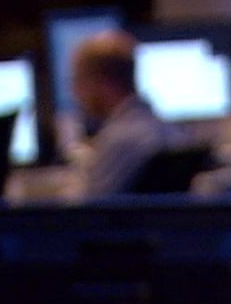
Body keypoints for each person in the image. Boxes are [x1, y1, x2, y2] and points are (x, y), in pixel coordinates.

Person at [70, 30, 178, 199]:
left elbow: (87, 208)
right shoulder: (170, 130)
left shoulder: (118, 141)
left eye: (79, 80)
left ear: (102, 82)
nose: (75, 91)